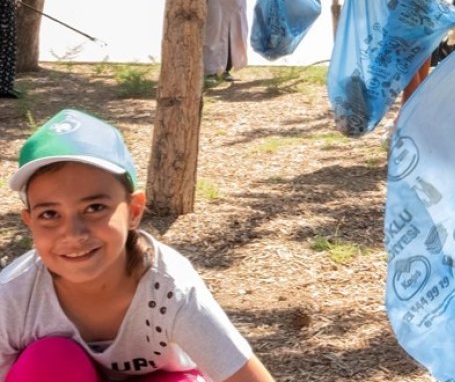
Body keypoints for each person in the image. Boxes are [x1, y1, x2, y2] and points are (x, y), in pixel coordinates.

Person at [0, 109, 275, 382]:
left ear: (134, 210)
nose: (72, 233)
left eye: (95, 208)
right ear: (29, 221)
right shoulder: (14, 294)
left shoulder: (170, 290)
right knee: (49, 361)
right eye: (49, 214)